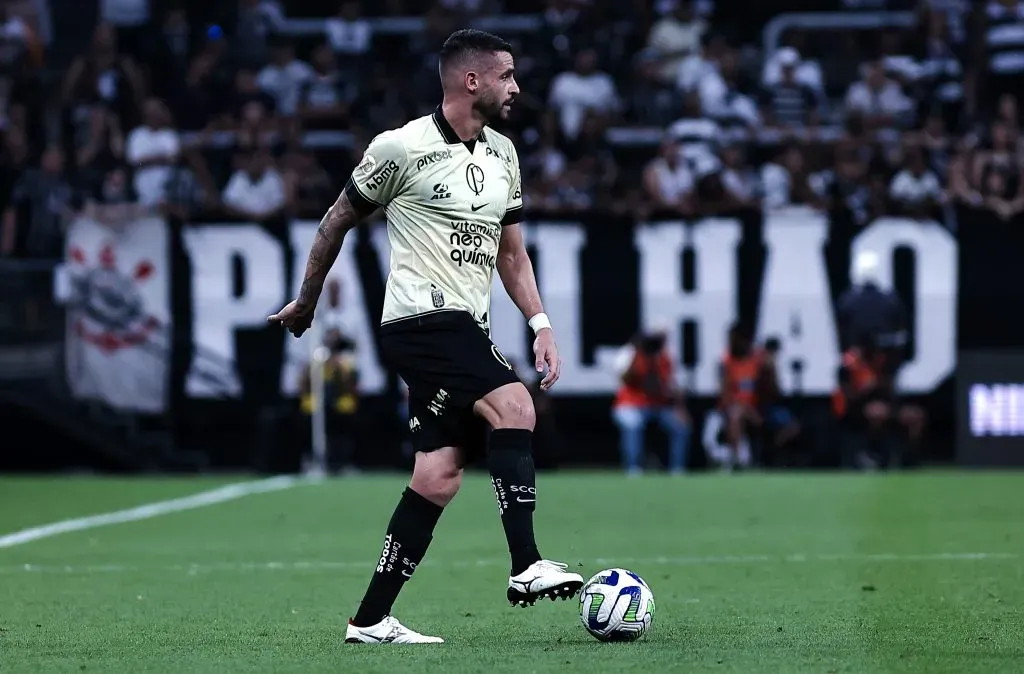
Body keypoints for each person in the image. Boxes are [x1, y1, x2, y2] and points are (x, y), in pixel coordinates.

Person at [268, 29, 583, 645]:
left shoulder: (504, 156)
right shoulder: (400, 148)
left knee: (437, 475)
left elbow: (511, 256)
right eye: (507, 76)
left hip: (466, 323)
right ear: (472, 81)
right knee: (515, 404)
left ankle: (370, 619)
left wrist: (541, 324)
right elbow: (337, 220)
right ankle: (526, 566)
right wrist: (306, 300)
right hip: (421, 319)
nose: (516, 87)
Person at [610, 327, 690, 474]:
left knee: (680, 425)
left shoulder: (664, 358)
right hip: (630, 405)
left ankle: (677, 469)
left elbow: (668, 387)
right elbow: (624, 378)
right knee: (633, 424)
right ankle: (633, 469)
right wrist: (638, 357)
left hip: (657, 406)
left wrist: (680, 409)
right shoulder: (629, 354)